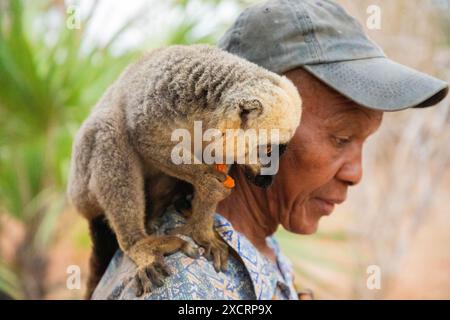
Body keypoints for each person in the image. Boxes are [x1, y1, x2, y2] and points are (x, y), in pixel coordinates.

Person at [91, 0, 448, 300]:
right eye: (340, 139)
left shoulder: (255, 239)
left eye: (363, 142)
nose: (356, 173)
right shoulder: (183, 287)